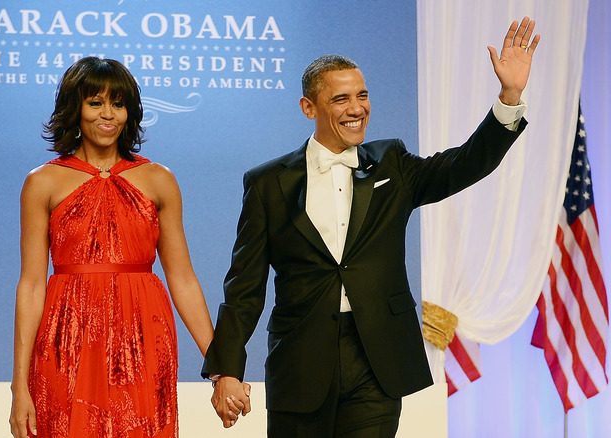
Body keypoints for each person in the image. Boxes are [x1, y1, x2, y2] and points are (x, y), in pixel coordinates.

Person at [202, 17, 541, 437]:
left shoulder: (391, 163)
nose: (356, 108)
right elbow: (244, 288)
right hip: (301, 362)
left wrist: (509, 96)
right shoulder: (268, 182)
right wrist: (226, 372)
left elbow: (464, 164)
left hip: (376, 359)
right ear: (309, 107)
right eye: (341, 98)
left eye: (362, 95)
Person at [8, 57, 215, 438]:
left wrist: (220, 366)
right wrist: (19, 385)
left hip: (143, 338)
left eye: (118, 104)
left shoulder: (159, 179)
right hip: (65, 339)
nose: (108, 115)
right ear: (76, 109)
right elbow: (32, 285)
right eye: (95, 102)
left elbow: (183, 279)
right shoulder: (43, 182)